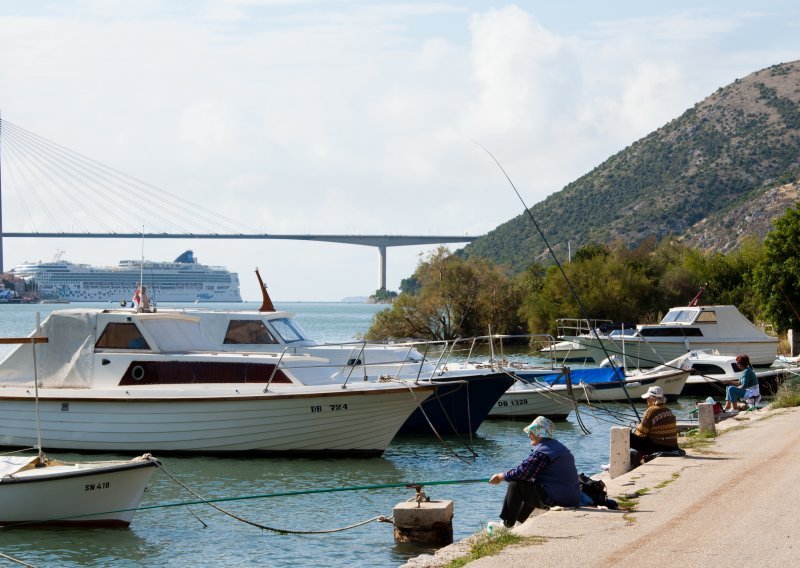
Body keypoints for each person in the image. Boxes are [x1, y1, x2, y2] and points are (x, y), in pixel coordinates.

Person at [488, 416, 580, 528]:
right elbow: (527, 472)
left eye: (531, 432)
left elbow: (523, 472)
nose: (529, 435)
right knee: (531, 485)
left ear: (539, 433)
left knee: (515, 485)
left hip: (558, 500)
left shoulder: (543, 452)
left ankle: (507, 525)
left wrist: (500, 476)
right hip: (570, 498)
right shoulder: (557, 447)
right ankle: (518, 522)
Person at [630, 385, 679, 456]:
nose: (646, 400)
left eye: (647, 398)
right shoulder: (668, 410)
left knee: (627, 436)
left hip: (658, 447)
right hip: (672, 447)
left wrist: (636, 430)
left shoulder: (651, 410)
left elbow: (641, 434)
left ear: (653, 398)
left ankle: (616, 463)